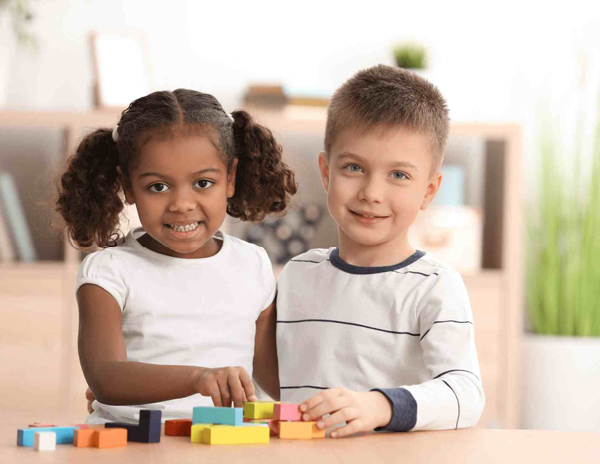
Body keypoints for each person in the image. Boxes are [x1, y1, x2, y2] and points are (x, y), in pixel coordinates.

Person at [55, 89, 297, 423]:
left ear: (230, 178)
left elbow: (273, 375)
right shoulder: (108, 273)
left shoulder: (252, 264)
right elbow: (106, 378)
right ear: (127, 186)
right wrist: (198, 378)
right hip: (132, 447)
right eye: (158, 186)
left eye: (202, 183)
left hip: (226, 445)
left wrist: (325, 397)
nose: (182, 204)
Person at [276, 65, 485, 437]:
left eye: (399, 175)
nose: (372, 192)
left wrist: (380, 404)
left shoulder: (434, 286)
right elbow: (279, 383)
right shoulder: (296, 274)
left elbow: (466, 395)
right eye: (354, 167)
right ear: (326, 172)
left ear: (429, 191)